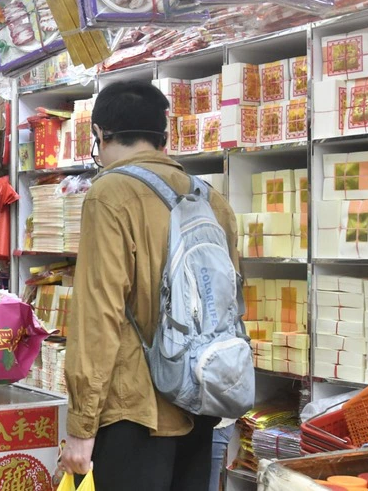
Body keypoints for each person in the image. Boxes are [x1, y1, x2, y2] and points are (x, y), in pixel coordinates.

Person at [60, 82, 240, 490]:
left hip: (134, 411)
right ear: (164, 137)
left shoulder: (109, 194)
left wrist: (81, 426)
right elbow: (229, 306)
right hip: (200, 401)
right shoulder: (213, 200)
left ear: (101, 135)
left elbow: (98, 314)